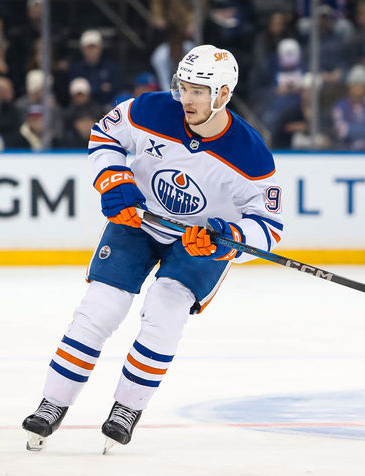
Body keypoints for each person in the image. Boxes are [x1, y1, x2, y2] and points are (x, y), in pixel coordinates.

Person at [22, 44, 284, 453]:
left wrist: (226, 237)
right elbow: (104, 134)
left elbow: (268, 226)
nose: (188, 99)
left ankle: (127, 408)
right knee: (99, 309)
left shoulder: (250, 153)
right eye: (184, 87)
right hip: (139, 219)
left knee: (165, 311)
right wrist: (114, 180)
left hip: (198, 244)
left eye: (200, 91)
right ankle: (52, 403)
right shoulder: (149, 110)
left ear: (224, 95)